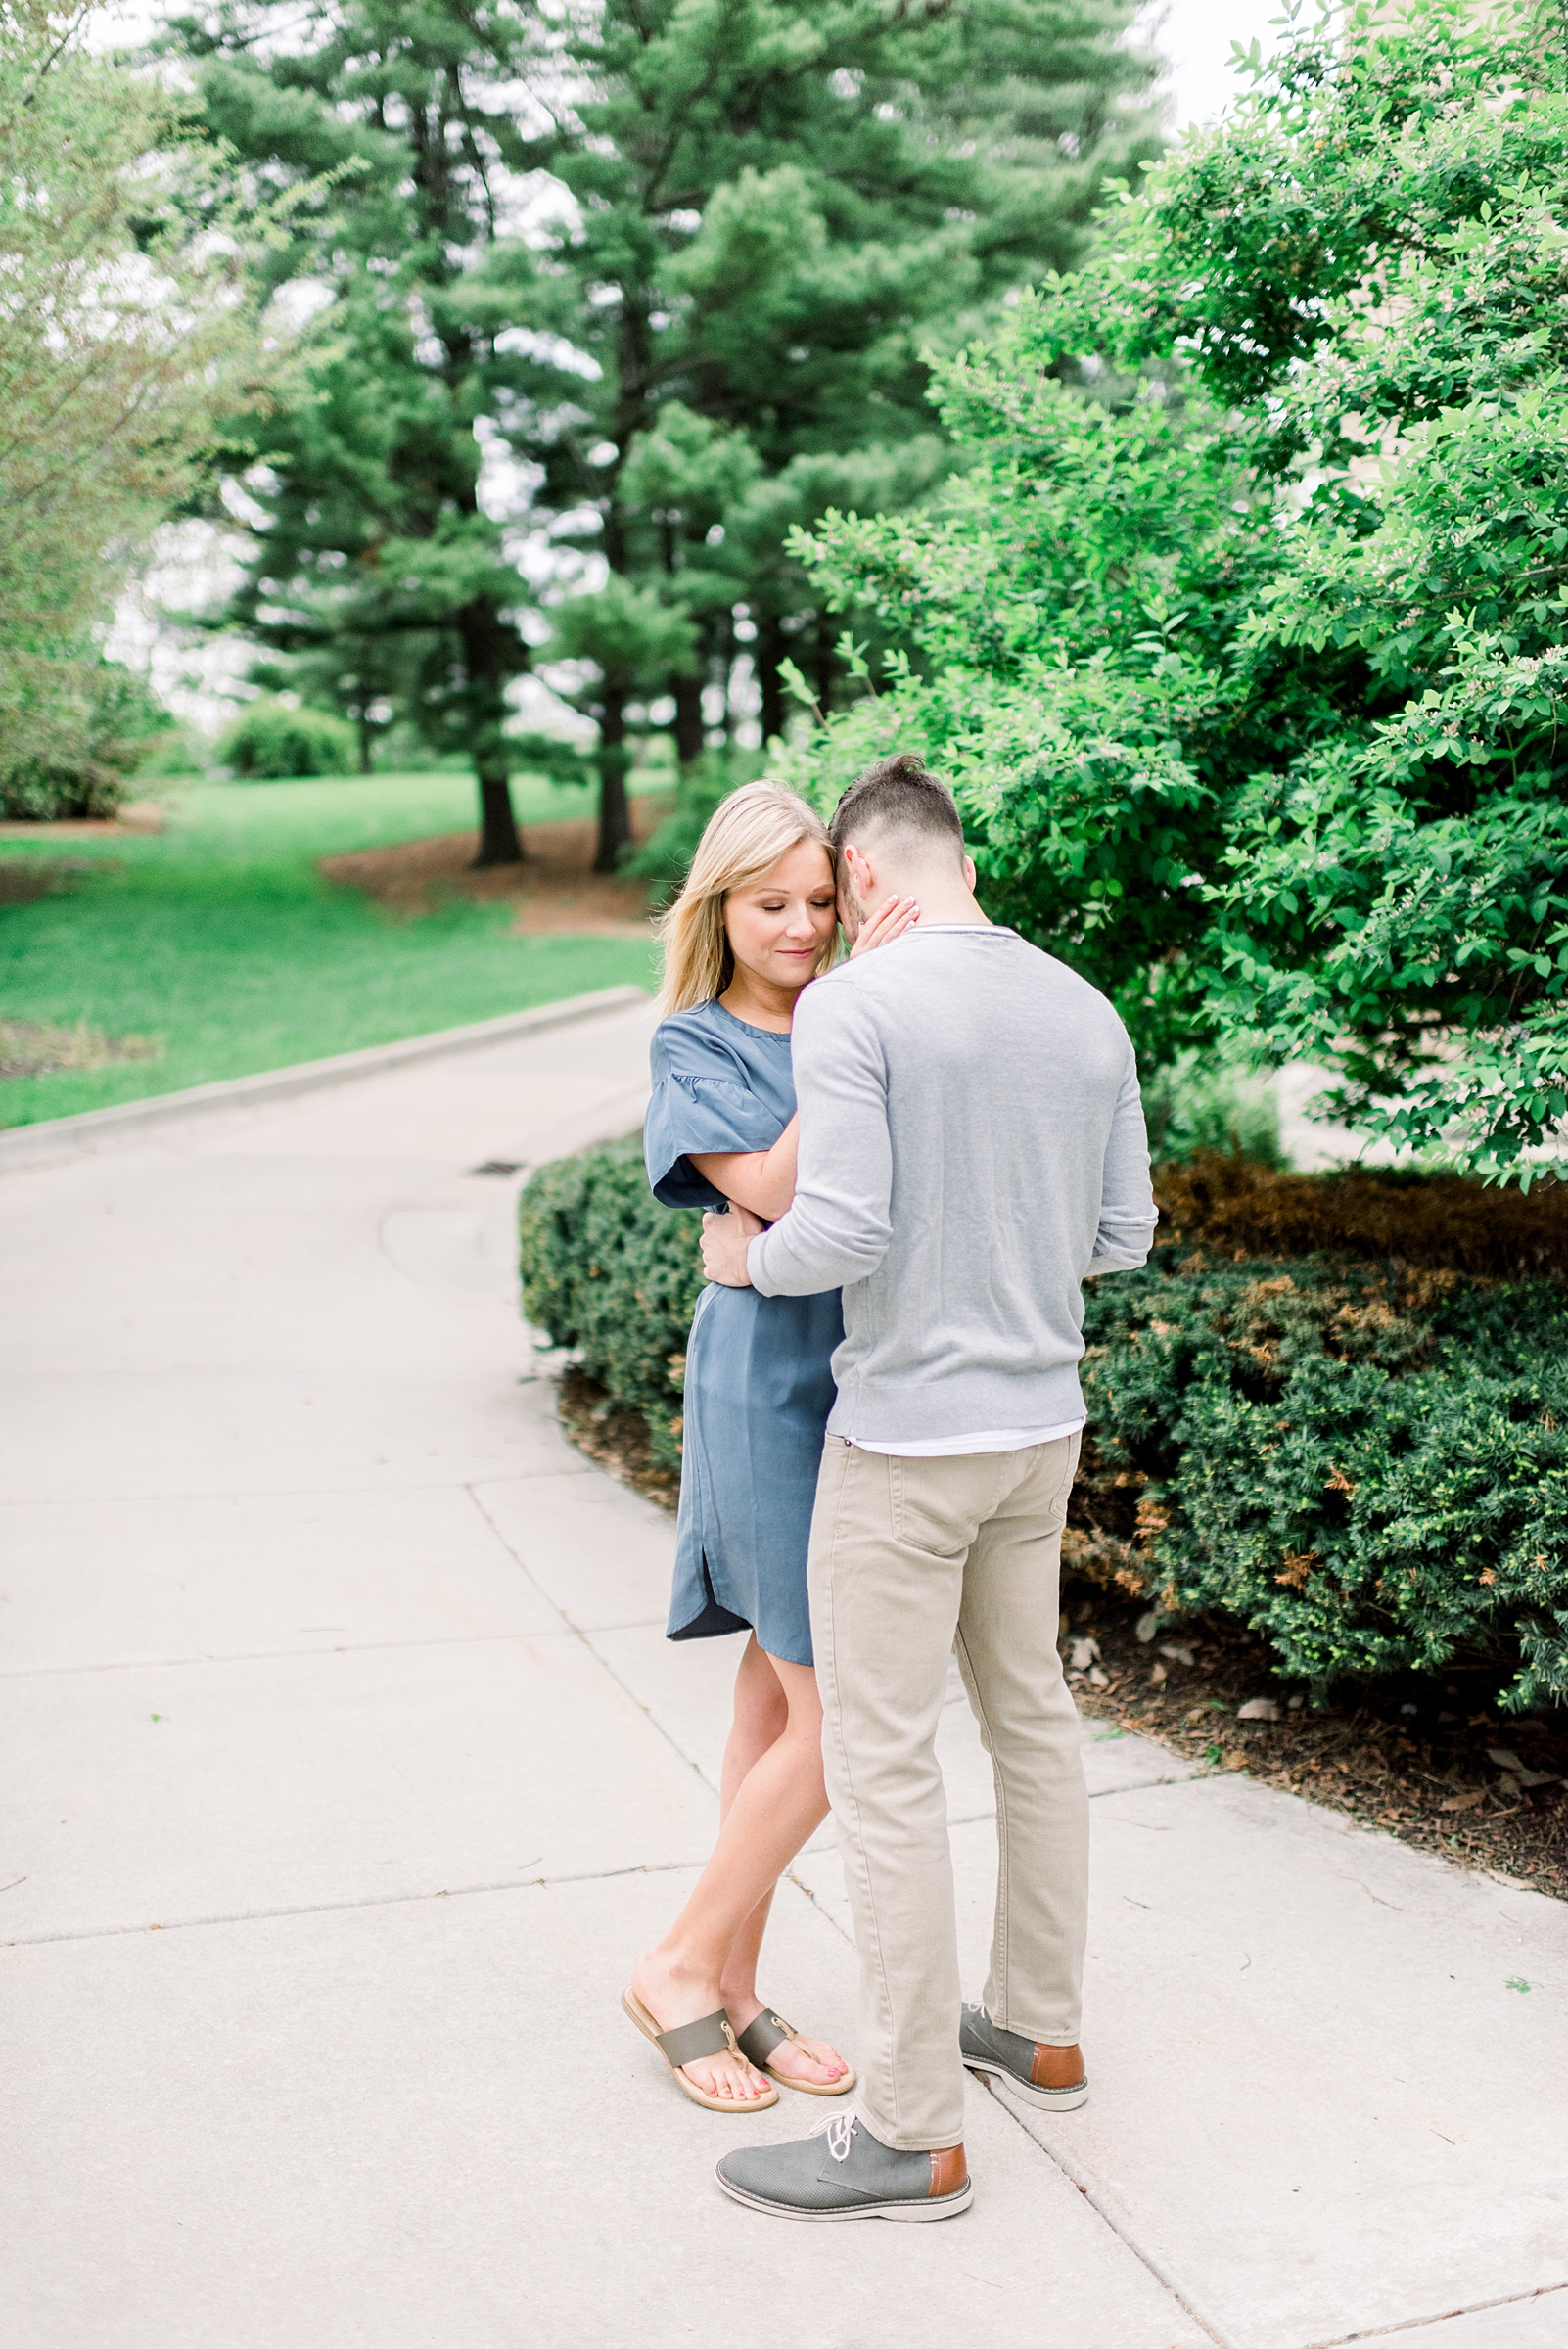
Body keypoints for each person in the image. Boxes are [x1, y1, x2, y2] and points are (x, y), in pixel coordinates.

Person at [700, 754, 1158, 2221]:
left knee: (885, 1767)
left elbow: (834, 1229)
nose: (833, 928)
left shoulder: (855, 1006)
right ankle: (1038, 2025)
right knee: (1029, 1716)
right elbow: (1123, 1233)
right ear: (959, 859)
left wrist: (742, 1259)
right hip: (1041, 1430)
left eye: (842, 898)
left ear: (875, 878)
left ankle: (909, 2131)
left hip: (901, 1448)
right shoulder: (1084, 1008)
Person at [623, 780, 918, 2113]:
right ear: (720, 907)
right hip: (766, 1390)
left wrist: (864, 1009)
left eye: (820, 903)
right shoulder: (694, 1045)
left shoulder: (874, 1016)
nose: (801, 928)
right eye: (771, 905)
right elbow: (781, 1191)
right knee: (835, 1705)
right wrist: (856, 1020)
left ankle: (731, 1992)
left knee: (773, 1702)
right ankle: (679, 1967)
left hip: (878, 1378)